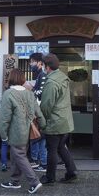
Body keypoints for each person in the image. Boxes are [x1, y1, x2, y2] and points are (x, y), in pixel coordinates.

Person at [0, 69, 46, 194]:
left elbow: (4, 118)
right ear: (23, 79)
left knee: (19, 155)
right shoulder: (30, 93)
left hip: (16, 131)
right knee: (16, 156)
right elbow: (38, 113)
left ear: (11, 79)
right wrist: (43, 125)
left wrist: (3, 135)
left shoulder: (8, 94)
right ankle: (14, 181)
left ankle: (34, 182)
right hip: (29, 130)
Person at [39, 53, 78, 185]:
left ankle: (50, 177)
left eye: (43, 65)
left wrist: (41, 120)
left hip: (54, 121)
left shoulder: (51, 82)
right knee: (61, 147)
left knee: (52, 149)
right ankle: (72, 171)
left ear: (47, 66)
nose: (42, 67)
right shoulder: (63, 78)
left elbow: (46, 106)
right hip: (65, 120)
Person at [25, 52, 47, 172]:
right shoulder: (39, 75)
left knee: (40, 137)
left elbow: (41, 94)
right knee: (39, 137)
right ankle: (41, 162)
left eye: (32, 62)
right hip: (38, 111)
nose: (31, 64)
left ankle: (42, 162)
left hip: (41, 111)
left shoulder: (43, 75)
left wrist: (31, 88)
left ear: (40, 63)